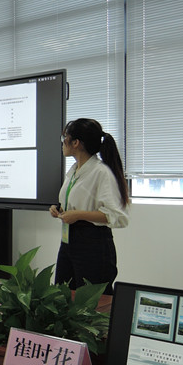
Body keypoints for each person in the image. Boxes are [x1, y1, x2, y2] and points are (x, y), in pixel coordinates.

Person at [49, 118, 129, 294]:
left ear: (76, 143)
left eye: (65, 138)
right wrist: (59, 209)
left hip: (93, 244)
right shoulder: (74, 170)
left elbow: (118, 217)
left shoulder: (101, 172)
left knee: (92, 302)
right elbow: (78, 202)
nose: (62, 143)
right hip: (68, 241)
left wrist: (78, 215)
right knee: (61, 296)